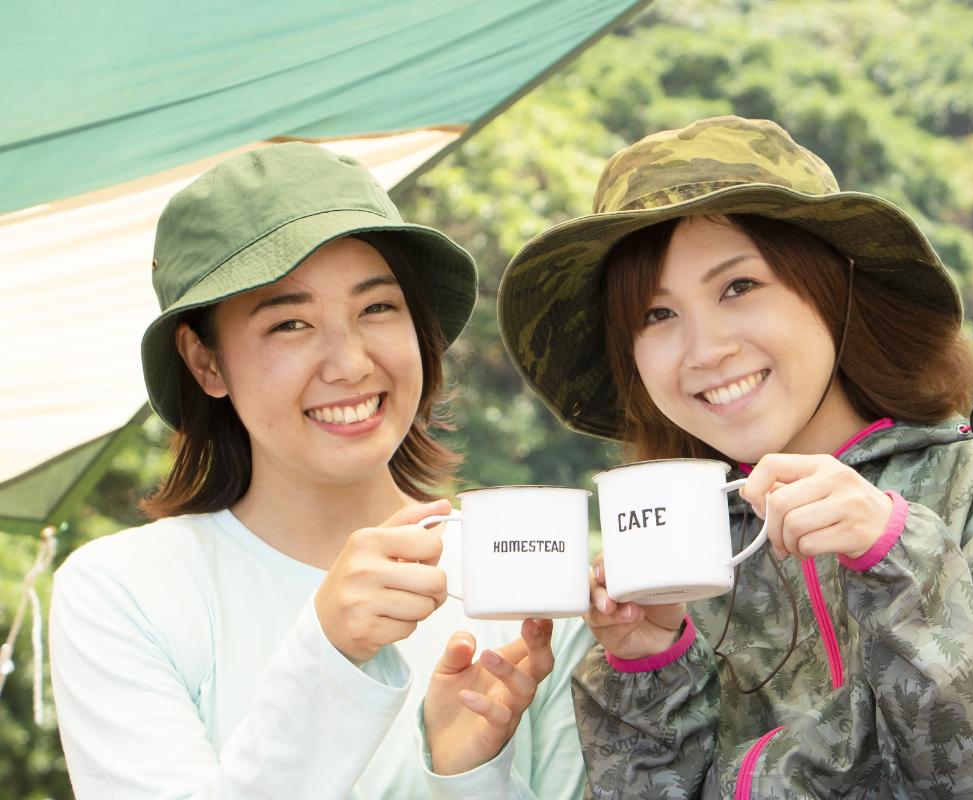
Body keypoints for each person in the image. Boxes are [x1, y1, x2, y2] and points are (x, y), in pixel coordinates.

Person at [497, 116, 973, 798]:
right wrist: (648, 669)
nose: (704, 350)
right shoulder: (681, 553)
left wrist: (898, 557)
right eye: (655, 315)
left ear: (833, 285)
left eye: (738, 287)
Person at [49, 143, 591, 799]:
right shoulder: (124, 591)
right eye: (291, 323)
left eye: (377, 308)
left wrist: (469, 776)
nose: (349, 363)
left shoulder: (527, 572)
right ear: (206, 362)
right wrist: (327, 655)